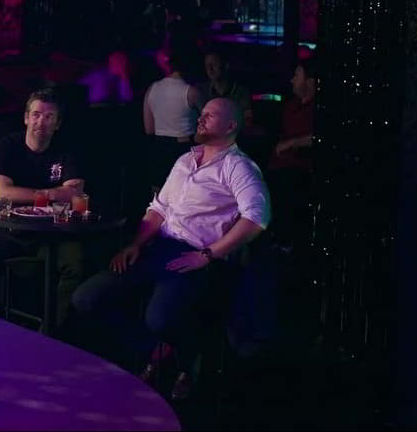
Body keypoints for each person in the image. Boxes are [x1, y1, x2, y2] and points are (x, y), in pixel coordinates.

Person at [71, 98, 269, 401]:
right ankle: (157, 350)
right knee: (86, 298)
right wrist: (135, 244)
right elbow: (159, 208)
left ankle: (188, 361)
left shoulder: (239, 167)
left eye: (210, 115)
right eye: (201, 113)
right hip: (158, 248)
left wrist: (208, 254)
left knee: (159, 318)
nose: (200, 119)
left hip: (194, 255)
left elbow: (257, 219)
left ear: (230, 126)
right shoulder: (185, 160)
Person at [0, 89, 86, 330]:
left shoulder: (67, 150)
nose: (41, 122)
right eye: (36, 115)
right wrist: (50, 193)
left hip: (55, 234)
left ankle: (51, 334)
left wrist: (28, 194)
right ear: (26, 118)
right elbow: (2, 192)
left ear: (57, 124)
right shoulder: (7, 146)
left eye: (49, 117)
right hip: (14, 231)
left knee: (76, 266)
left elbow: (75, 193)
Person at [266, 55, 316, 249]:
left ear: (310, 81)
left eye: (297, 75)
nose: (292, 80)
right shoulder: (290, 106)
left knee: (289, 186)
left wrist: (292, 144)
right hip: (278, 166)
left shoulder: (317, 109)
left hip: (299, 169)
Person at [142, 46, 205, 192]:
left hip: (159, 149)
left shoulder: (152, 89)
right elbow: (210, 124)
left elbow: (149, 129)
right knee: (186, 196)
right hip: (185, 149)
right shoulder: (192, 92)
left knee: (158, 198)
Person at [201, 48, 252, 122]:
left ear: (226, 65)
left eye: (214, 64)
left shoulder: (241, 92)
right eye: (207, 66)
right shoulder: (202, 91)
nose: (210, 69)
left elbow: (248, 119)